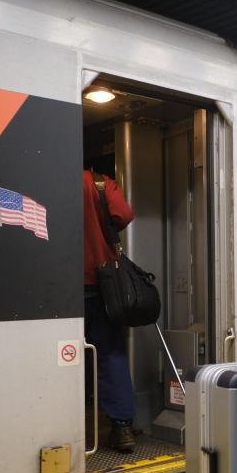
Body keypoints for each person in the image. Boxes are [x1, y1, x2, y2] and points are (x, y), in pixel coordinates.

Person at [82, 168, 137, 453]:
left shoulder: (49, 177)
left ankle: (65, 429)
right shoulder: (99, 182)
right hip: (103, 284)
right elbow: (124, 214)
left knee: (63, 358)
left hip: (60, 287)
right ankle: (122, 428)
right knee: (110, 354)